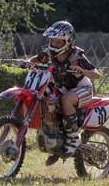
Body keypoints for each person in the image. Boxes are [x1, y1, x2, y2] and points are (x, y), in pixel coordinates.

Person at [28, 21, 102, 164]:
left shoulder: (76, 55)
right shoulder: (49, 54)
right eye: (52, 40)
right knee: (43, 96)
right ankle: (54, 140)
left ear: (68, 42)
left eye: (58, 41)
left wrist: (83, 71)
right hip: (62, 88)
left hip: (82, 89)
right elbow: (34, 60)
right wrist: (27, 63)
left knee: (65, 100)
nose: (54, 44)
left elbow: (96, 74)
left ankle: (74, 138)